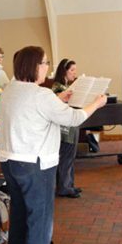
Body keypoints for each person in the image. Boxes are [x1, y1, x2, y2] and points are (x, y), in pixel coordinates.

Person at [0, 46, 107, 244]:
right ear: (34, 66)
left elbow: (31, 110)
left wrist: (58, 98)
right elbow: (74, 118)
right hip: (35, 166)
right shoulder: (40, 94)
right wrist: (96, 104)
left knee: (18, 220)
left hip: (10, 162)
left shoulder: (10, 89)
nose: (48, 67)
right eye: (45, 63)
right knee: (40, 224)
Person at [52, 58, 81, 198]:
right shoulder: (57, 87)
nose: (74, 73)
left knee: (70, 157)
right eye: (72, 70)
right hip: (64, 129)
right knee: (65, 157)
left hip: (71, 126)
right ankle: (64, 187)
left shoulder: (65, 85)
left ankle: (69, 185)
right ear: (64, 71)